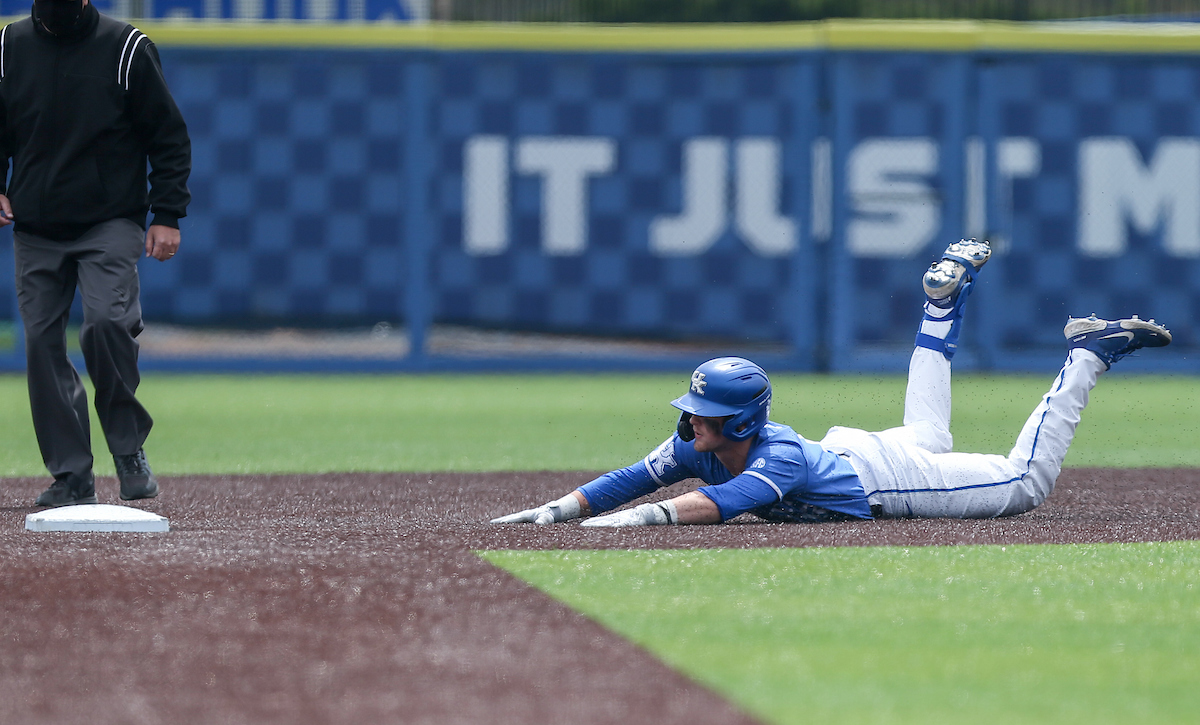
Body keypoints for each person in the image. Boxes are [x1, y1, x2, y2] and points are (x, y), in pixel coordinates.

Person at [491, 239, 1172, 527]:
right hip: (856, 456)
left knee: (1024, 485)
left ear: (739, 424)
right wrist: (559, 509)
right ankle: (940, 308)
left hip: (889, 479)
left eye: (703, 413)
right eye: (693, 410)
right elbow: (633, 476)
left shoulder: (774, 458)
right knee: (930, 430)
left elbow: (716, 506)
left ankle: (1087, 355)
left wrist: (635, 524)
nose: (691, 421)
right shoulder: (704, 444)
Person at [0, 0, 191, 507]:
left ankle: (127, 450)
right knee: (41, 343)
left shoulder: (125, 47)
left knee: (105, 323)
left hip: (109, 220)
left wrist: (168, 213)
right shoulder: (8, 47)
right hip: (36, 225)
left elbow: (168, 136)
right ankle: (71, 475)